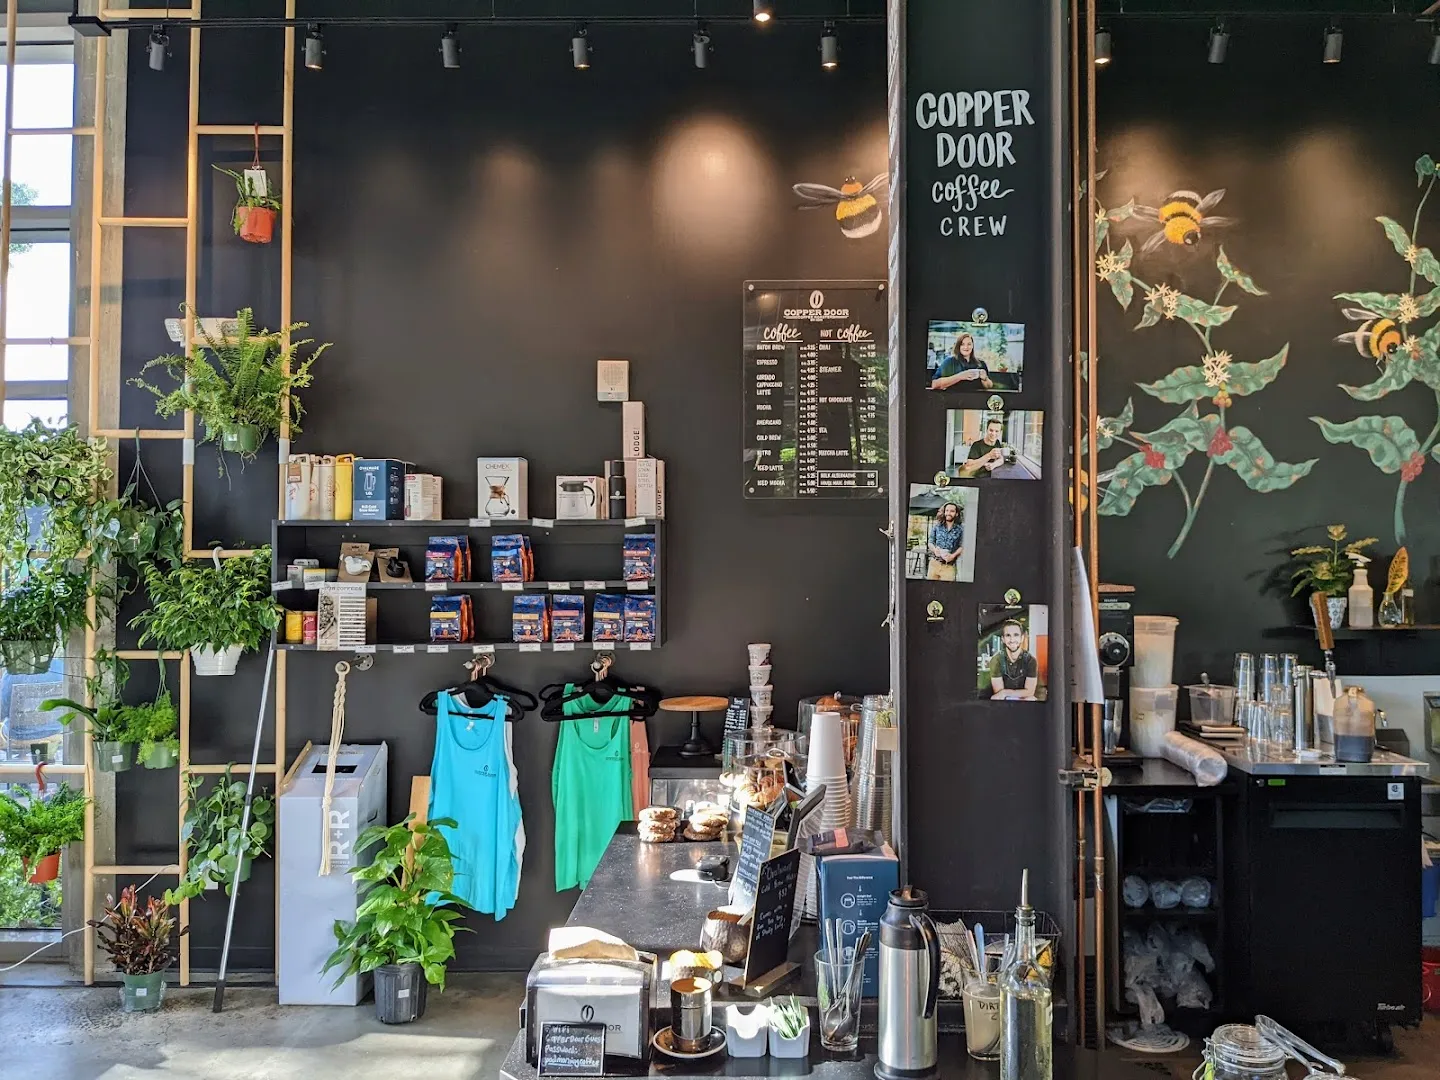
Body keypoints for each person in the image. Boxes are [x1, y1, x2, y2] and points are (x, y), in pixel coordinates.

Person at [989, 619, 1039, 700]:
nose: (1012, 640)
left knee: (1031, 698)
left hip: (1024, 699)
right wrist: (1005, 694)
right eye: (1008, 635)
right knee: (996, 698)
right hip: (1004, 700)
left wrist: (1005, 692)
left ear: (1022, 638)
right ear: (1003, 639)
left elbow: (1030, 692)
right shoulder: (996, 660)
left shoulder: (1030, 660)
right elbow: (998, 692)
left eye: (1016, 635)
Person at [930, 332, 994, 391]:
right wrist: (960, 376)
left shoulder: (981, 363)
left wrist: (985, 379)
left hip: (976, 398)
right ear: (958, 346)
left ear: (972, 346)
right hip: (953, 398)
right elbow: (935, 384)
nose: (966, 347)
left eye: (969, 344)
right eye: (962, 344)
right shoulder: (949, 362)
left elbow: (989, 386)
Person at [925, 501, 964, 581]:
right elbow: (930, 542)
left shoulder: (961, 529)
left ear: (956, 514)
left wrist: (953, 556)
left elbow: (962, 546)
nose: (948, 513)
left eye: (952, 511)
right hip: (934, 564)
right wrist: (934, 550)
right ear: (944, 512)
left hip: (949, 567)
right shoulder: (937, 526)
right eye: (947, 510)